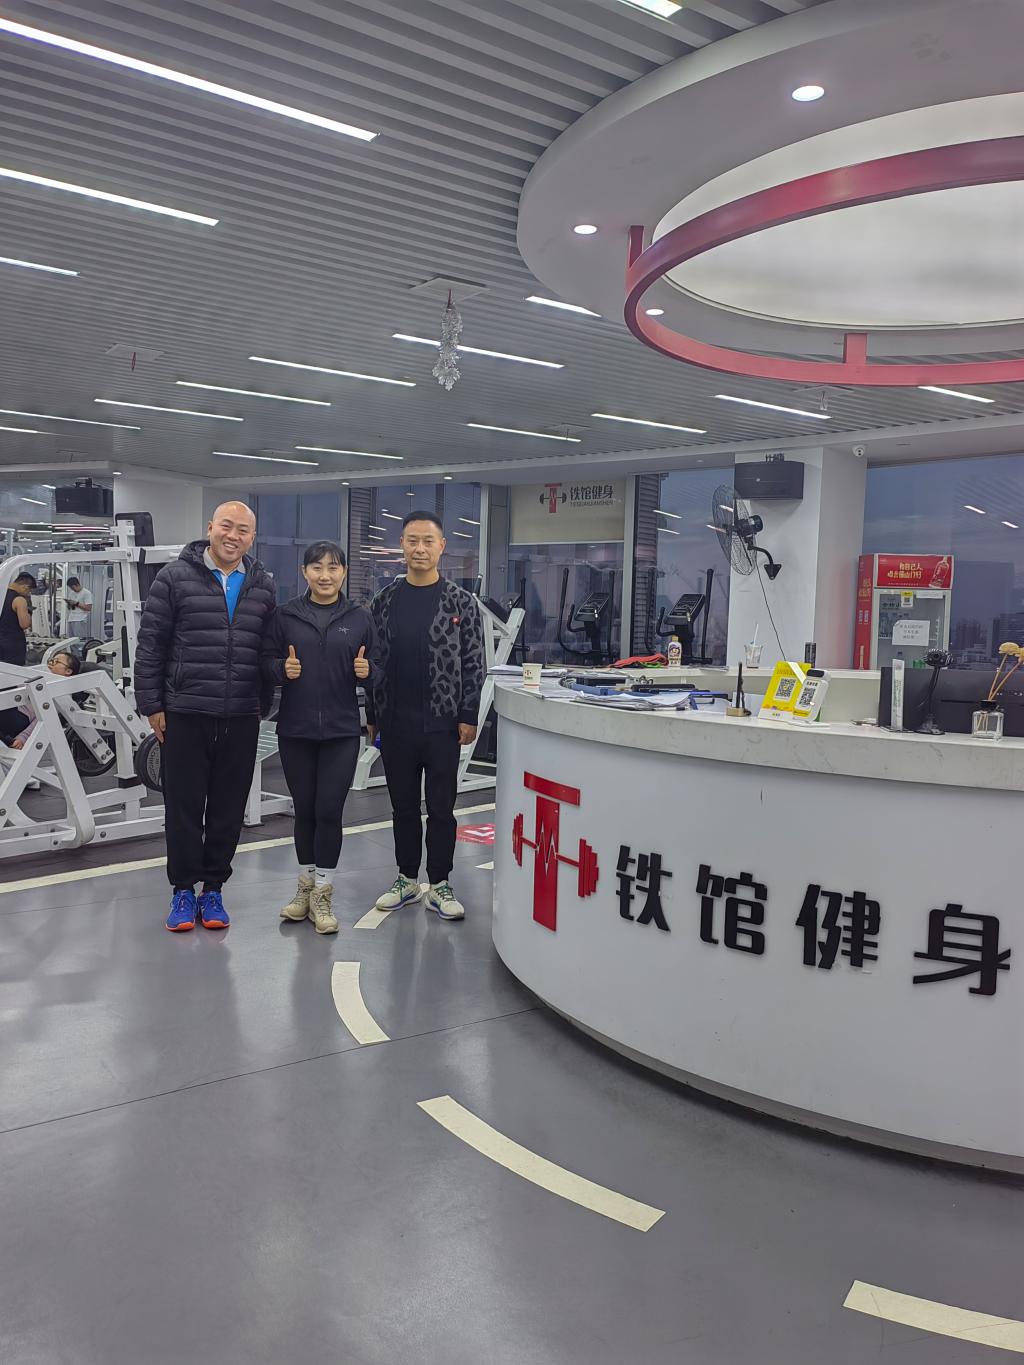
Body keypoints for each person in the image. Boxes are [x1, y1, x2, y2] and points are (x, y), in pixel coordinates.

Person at [134, 501, 277, 933]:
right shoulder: (174, 577)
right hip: (186, 711)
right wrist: (152, 704)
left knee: (228, 808)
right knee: (183, 806)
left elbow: (268, 649)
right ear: (211, 527)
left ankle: (213, 889)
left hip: (241, 714)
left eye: (243, 530)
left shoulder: (263, 585)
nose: (233, 536)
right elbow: (151, 644)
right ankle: (182, 890)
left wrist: (264, 701)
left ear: (252, 538)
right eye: (227, 527)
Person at [366, 510, 485, 921]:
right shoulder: (383, 601)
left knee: (440, 808)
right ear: (402, 545)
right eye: (412, 540)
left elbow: (475, 662)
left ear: (441, 547)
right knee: (402, 807)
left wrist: (469, 714)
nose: (420, 548)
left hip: (443, 724)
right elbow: (373, 663)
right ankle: (406, 879)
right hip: (395, 722)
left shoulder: (460, 602)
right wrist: (373, 715)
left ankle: (440, 883)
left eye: (428, 541)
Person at [263, 542, 380, 934]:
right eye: (317, 567)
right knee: (305, 810)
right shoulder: (285, 616)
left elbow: (381, 668)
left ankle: (323, 894)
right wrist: (281, 669)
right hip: (295, 730)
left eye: (333, 567)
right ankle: (305, 888)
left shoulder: (359, 618)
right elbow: (263, 662)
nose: (325, 575)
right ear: (304, 572)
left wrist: (369, 671)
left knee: (329, 810)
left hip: (342, 731)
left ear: (344, 572)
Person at [0, 649, 80, 748]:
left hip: (19, 717)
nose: (50, 663)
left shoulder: (63, 696)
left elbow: (43, 719)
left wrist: (22, 738)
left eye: (56, 661)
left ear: (68, 671)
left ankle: (6, 739)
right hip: (10, 707)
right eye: (51, 660)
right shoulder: (37, 675)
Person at [0, 573, 37, 667]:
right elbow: (24, 624)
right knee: (14, 673)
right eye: (29, 591)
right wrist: (29, 611)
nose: (28, 593)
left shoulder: (1, 595)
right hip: (13, 643)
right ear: (25, 587)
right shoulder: (19, 600)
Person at [65, 577, 94, 641]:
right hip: (71, 618)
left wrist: (76, 603)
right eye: (71, 588)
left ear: (77, 584)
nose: (72, 589)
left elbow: (88, 608)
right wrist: (69, 604)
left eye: (73, 588)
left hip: (80, 619)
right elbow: (69, 608)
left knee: (79, 639)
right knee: (70, 640)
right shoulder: (71, 593)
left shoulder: (86, 593)